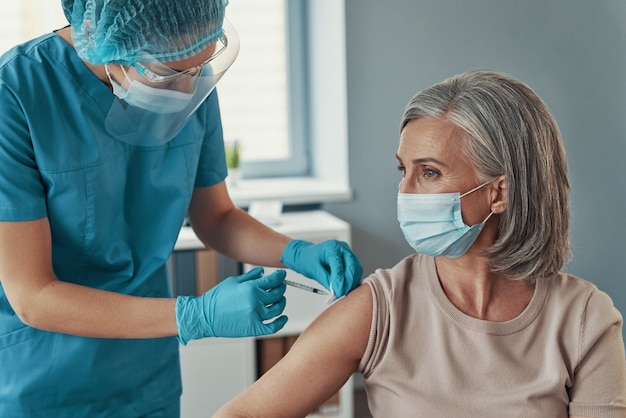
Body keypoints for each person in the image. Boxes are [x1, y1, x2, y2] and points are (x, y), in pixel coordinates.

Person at [0, 0, 362, 416]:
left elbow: (217, 217)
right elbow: (34, 295)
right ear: (111, 47)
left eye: (200, 66)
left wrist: (297, 252)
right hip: (44, 379)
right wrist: (197, 316)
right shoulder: (15, 96)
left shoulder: (189, 78)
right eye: (171, 75)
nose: (188, 88)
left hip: (146, 371)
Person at [213, 70, 626, 418]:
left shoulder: (584, 319)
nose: (404, 191)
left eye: (429, 173)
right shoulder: (378, 310)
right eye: (403, 170)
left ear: (499, 192)